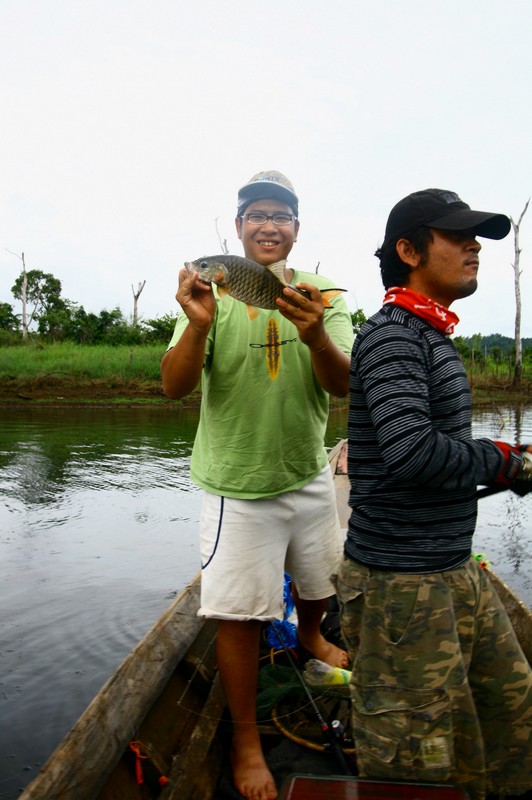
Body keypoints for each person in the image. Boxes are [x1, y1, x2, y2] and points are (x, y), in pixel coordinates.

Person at [161, 170, 354, 800]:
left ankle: (310, 633)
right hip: (235, 486)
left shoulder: (325, 292)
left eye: (282, 217)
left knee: (321, 580)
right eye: (256, 215)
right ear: (239, 227)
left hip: (307, 473)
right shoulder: (210, 294)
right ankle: (246, 741)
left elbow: (344, 383)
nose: (269, 226)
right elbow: (173, 387)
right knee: (239, 617)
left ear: (297, 230)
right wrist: (196, 323)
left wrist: (316, 332)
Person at [335, 188, 532, 800]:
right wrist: (509, 462)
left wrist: (508, 464)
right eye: (458, 236)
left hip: (451, 569)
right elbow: (412, 453)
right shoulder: (393, 336)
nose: (474, 246)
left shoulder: (431, 335)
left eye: (476, 237)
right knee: (412, 758)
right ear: (408, 250)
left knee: (511, 705)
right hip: (402, 586)